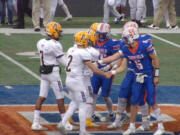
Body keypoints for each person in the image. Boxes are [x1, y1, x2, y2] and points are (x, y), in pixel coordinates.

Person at [101, 25, 165, 135]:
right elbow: (116, 59)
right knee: (134, 101)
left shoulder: (144, 45)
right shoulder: (126, 48)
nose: (124, 40)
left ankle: (161, 126)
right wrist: (100, 63)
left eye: (126, 38)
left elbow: (155, 58)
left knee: (151, 101)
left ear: (133, 36)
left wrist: (156, 75)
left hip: (149, 75)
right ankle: (131, 127)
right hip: (136, 76)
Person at [57, 31, 110, 135]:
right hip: (77, 81)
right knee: (83, 105)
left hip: (69, 80)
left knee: (74, 103)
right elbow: (93, 69)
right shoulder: (84, 52)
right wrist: (105, 74)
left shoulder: (71, 49)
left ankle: (62, 123)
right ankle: (83, 131)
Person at [31, 22, 72, 131]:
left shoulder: (40, 42)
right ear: (53, 32)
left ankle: (35, 123)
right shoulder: (55, 45)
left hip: (44, 72)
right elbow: (62, 61)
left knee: (42, 96)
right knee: (60, 98)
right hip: (53, 73)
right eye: (58, 32)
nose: (59, 34)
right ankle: (64, 122)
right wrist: (73, 64)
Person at [91, 23, 123, 122]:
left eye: (102, 34)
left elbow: (118, 58)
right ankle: (91, 114)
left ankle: (111, 113)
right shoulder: (94, 41)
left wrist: (109, 66)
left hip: (107, 73)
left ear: (107, 34)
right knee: (93, 94)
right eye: (98, 34)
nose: (100, 36)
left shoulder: (113, 43)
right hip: (96, 71)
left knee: (105, 96)